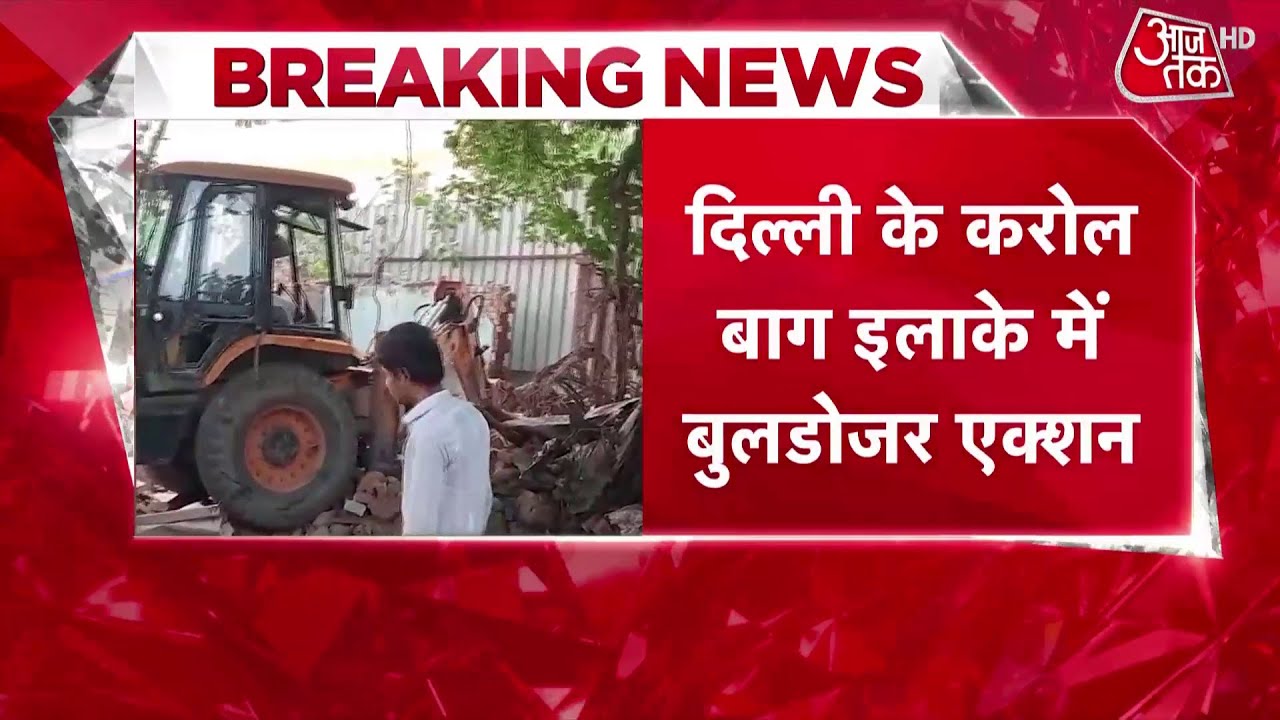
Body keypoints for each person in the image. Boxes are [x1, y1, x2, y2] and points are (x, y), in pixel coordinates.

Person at [374, 322, 492, 535]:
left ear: (403, 375)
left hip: (440, 554)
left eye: (388, 376)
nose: (387, 385)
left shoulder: (427, 434)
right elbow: (484, 500)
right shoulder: (472, 417)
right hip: (473, 547)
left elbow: (419, 527)